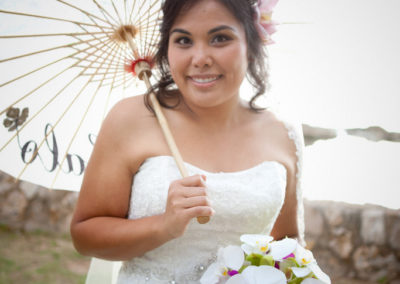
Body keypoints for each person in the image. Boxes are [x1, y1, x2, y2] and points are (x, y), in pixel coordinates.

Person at [70, 0, 305, 283]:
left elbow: (287, 242)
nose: (200, 58)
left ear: (252, 45)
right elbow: (85, 236)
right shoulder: (130, 119)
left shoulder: (283, 133)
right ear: (167, 50)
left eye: (220, 38)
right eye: (183, 40)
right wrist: (163, 226)